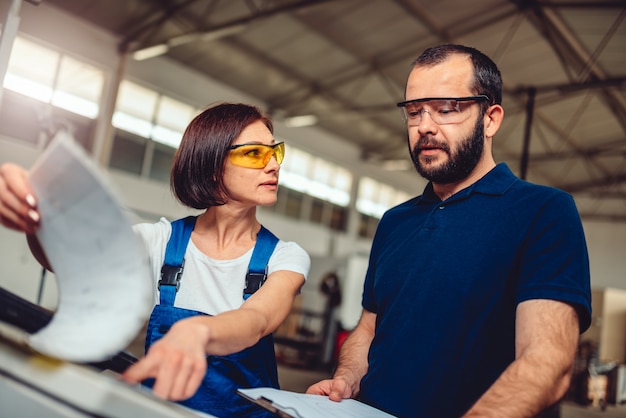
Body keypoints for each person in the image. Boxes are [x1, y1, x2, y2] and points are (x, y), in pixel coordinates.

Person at [306, 44, 592, 417]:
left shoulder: (543, 211)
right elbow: (368, 329)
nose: (424, 125)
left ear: (491, 119)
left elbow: (547, 364)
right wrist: (347, 378)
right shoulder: (395, 221)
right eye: (414, 111)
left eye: (446, 109)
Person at [0, 102, 311, 417]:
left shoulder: (284, 256)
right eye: (254, 154)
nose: (273, 165)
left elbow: (257, 320)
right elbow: (68, 260)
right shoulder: (160, 242)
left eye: (275, 152)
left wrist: (199, 332)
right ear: (212, 165)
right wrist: (33, 213)